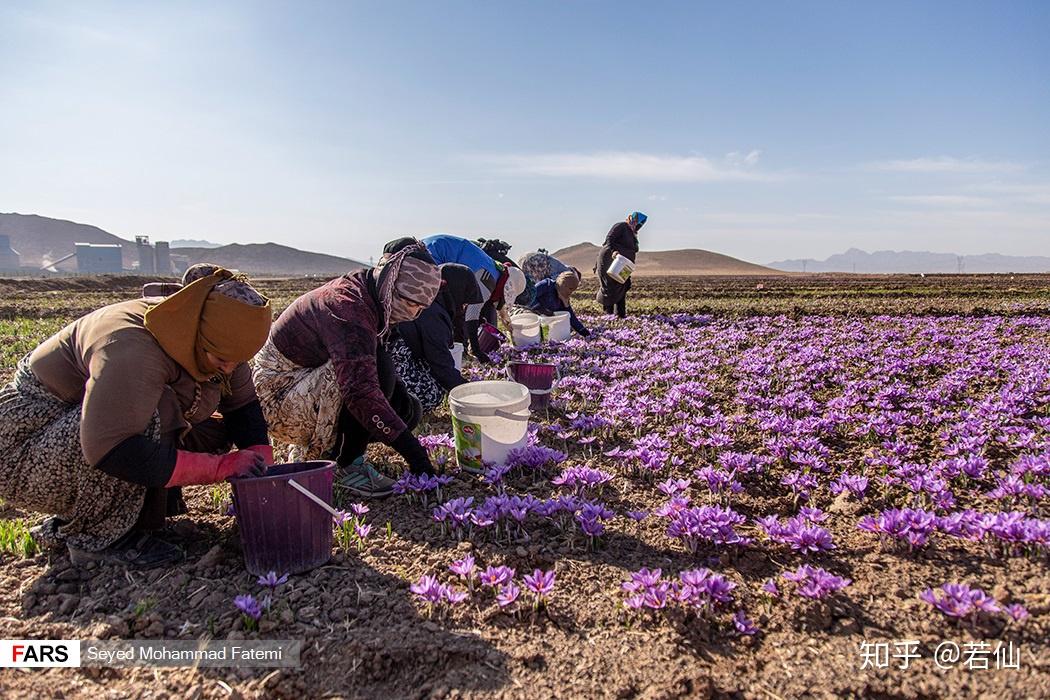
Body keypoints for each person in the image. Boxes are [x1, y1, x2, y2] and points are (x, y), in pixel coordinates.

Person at [0, 269, 273, 568]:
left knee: (212, 431)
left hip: (75, 430)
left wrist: (264, 466)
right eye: (222, 360)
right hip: (24, 447)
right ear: (197, 332)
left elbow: (242, 406)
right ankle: (95, 536)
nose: (229, 368)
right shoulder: (134, 345)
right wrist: (219, 468)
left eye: (238, 360)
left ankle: (144, 513)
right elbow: (109, 446)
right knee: (152, 416)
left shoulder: (217, 339)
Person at [253, 240, 442, 499]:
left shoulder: (372, 293)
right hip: (279, 396)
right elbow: (360, 391)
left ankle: (320, 448)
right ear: (390, 282)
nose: (415, 314)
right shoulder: (347, 307)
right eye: (411, 303)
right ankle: (345, 464)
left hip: (305, 384)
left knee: (406, 410)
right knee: (372, 372)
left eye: (422, 308)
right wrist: (415, 454)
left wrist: (401, 415)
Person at [387, 263, 483, 413]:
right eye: (464, 301)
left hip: (388, 362)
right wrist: (470, 393)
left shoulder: (427, 300)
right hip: (390, 368)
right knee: (432, 394)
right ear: (456, 291)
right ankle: (396, 406)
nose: (464, 307)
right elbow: (440, 364)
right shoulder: (433, 314)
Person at [420, 234, 526, 363]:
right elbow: (471, 316)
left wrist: (504, 317)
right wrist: (477, 350)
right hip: (433, 254)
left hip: (430, 246)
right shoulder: (488, 282)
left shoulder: (494, 268)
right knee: (433, 305)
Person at [595, 211, 646, 318]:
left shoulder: (633, 234)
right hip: (610, 260)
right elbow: (609, 239)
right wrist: (613, 251)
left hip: (623, 263)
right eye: (638, 223)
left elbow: (633, 249)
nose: (639, 226)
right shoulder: (621, 226)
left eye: (641, 224)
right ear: (632, 219)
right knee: (610, 286)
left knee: (623, 284)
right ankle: (609, 315)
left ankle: (620, 315)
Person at [528, 270, 590, 337]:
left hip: (548, 324)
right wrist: (541, 309)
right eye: (570, 289)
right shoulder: (546, 285)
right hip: (532, 319)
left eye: (573, 290)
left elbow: (570, 316)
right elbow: (529, 298)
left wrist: (583, 331)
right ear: (564, 284)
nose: (570, 292)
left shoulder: (563, 297)